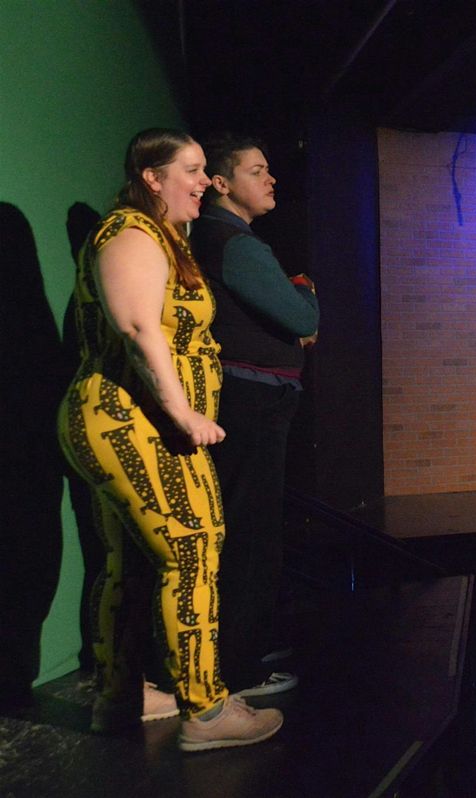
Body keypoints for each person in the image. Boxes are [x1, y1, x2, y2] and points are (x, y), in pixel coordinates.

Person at [57, 128, 283, 751]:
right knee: (195, 546)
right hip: (133, 419)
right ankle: (206, 712)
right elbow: (137, 326)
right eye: (193, 169)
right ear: (152, 177)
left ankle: (121, 695)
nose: (205, 182)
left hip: (130, 418)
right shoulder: (132, 231)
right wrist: (184, 415)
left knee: (126, 560)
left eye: (207, 169)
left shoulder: (161, 235)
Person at [190, 134, 317, 698]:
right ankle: (239, 669)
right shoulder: (235, 243)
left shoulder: (220, 239)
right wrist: (305, 292)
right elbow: (301, 317)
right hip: (254, 401)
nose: (271, 180)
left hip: (248, 399)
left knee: (248, 530)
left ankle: (239, 649)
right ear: (222, 183)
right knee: (253, 534)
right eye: (257, 171)